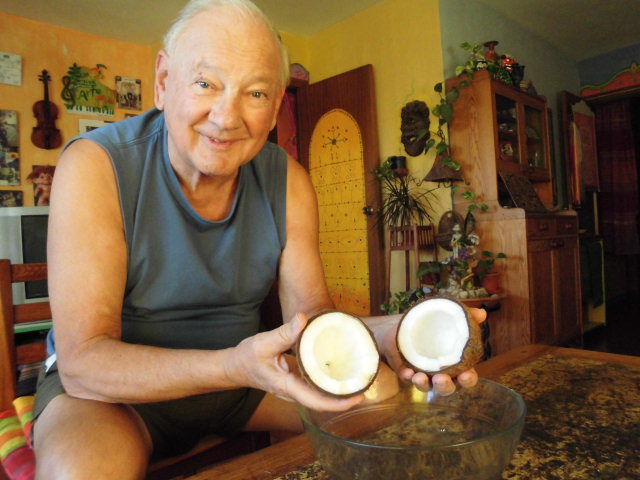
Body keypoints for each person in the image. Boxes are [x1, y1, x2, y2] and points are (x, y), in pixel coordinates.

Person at [33, 1, 486, 478]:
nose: (226, 117)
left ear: (274, 109)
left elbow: (309, 320)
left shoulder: (287, 180)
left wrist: (386, 332)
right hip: (113, 397)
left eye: (254, 93)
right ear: (163, 81)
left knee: (384, 401)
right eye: (205, 83)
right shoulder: (95, 165)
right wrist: (232, 366)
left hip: (246, 383)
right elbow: (84, 364)